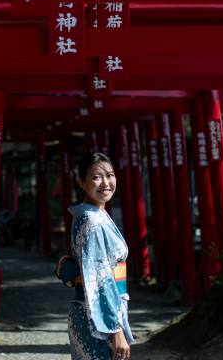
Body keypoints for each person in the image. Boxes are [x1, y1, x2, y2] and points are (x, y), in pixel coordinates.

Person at [68, 152, 133, 360]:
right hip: (96, 316)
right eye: (97, 177)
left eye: (110, 175)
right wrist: (115, 330)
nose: (106, 183)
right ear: (82, 183)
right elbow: (100, 279)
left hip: (91, 310)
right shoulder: (92, 222)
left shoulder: (95, 215)